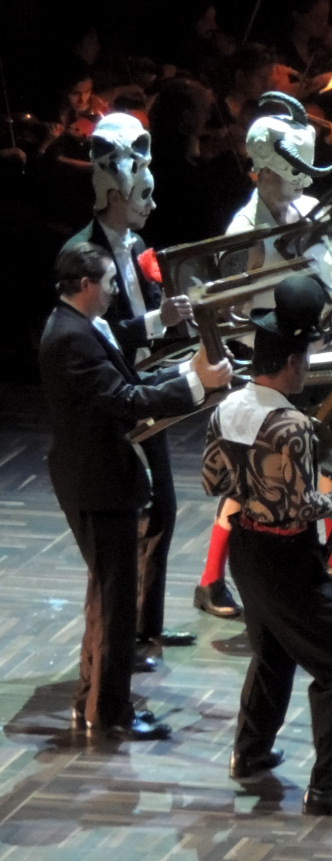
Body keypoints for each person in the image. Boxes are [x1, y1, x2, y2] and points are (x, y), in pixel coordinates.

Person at [200, 274, 332, 815]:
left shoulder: (225, 408)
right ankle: (330, 786)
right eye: (305, 360)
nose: (307, 368)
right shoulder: (291, 425)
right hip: (286, 557)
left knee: (273, 653)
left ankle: (250, 752)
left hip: (245, 550)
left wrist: (254, 487)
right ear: (290, 363)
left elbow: (213, 481)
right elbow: (296, 507)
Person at [196, 92, 332, 618]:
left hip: (318, 355)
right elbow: (228, 313)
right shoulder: (243, 231)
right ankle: (211, 579)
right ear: (265, 168)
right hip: (271, 371)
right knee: (254, 476)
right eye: (291, 171)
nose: (300, 182)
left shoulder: (312, 214)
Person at [40, 242, 231, 740]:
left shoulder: (79, 326)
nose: (113, 292)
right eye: (108, 284)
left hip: (99, 479)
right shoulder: (71, 338)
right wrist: (196, 387)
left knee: (107, 597)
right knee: (114, 601)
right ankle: (110, 714)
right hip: (97, 483)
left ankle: (93, 700)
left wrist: (189, 374)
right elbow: (125, 400)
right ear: (86, 285)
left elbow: (128, 379)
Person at [66, 112, 199, 653]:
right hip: (113, 403)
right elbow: (89, 337)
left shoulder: (134, 244)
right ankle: (120, 641)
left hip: (146, 389)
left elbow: (143, 318)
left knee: (163, 509)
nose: (153, 203)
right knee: (128, 525)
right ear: (117, 191)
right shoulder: (82, 257)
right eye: (144, 193)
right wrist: (153, 321)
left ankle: (145, 626)